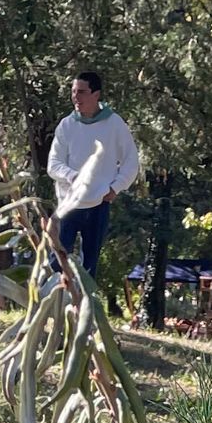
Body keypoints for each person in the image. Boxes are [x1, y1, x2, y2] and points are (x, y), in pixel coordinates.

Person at [47, 70, 142, 277]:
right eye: (73, 91)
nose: (76, 97)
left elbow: (131, 161)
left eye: (81, 92)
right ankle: (54, 304)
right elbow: (53, 164)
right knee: (57, 261)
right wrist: (73, 177)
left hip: (99, 204)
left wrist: (115, 187)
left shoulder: (114, 124)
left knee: (89, 267)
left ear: (96, 95)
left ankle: (84, 306)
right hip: (68, 204)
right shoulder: (67, 125)